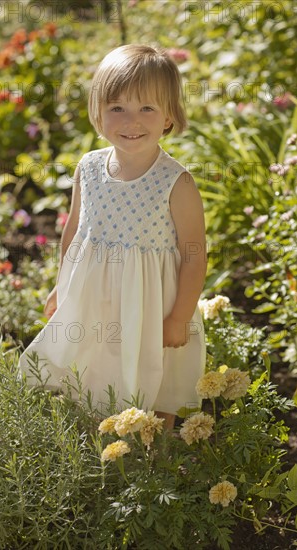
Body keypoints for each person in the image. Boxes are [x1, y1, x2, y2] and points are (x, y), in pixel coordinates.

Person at [18, 44, 207, 430]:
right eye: (117, 107)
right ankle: (100, 451)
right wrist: (61, 286)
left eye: (147, 109)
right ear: (98, 111)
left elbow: (194, 254)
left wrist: (179, 317)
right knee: (92, 369)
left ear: (169, 115)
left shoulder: (175, 182)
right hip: (96, 299)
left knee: (156, 379)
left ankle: (158, 458)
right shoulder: (88, 168)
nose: (130, 120)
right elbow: (74, 229)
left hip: (151, 306)